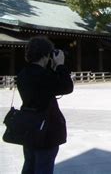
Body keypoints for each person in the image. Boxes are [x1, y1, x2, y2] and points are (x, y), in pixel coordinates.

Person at [16, 36, 74, 174]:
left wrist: (53, 69)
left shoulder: (23, 73)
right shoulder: (44, 75)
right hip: (46, 129)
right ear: (46, 55)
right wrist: (60, 65)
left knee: (29, 165)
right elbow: (67, 87)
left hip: (28, 126)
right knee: (43, 167)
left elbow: (45, 89)